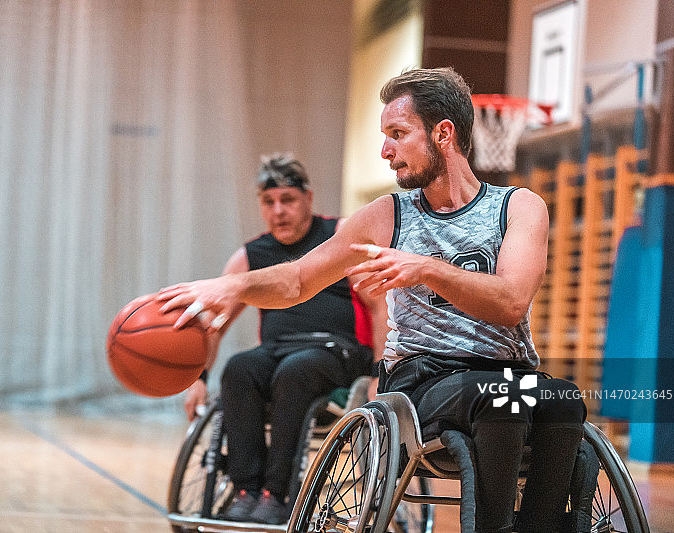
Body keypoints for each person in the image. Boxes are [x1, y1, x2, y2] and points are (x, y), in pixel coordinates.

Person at [159, 68, 587, 533]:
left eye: (398, 135)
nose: (386, 151)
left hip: (506, 372)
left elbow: (509, 302)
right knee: (499, 399)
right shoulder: (385, 215)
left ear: (443, 133)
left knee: (564, 399)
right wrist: (235, 286)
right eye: (385, 136)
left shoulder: (519, 207)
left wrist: (424, 268)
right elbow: (299, 279)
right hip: (422, 381)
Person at [181, 153, 387, 525]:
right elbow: (214, 324)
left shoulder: (340, 236)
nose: (279, 210)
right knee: (240, 368)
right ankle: (246, 489)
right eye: (269, 202)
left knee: (296, 371)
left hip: (335, 351)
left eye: (288, 200)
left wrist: (380, 373)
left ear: (308, 198)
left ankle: (278, 494)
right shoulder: (250, 256)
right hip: (277, 351)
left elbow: (379, 306)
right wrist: (198, 379)